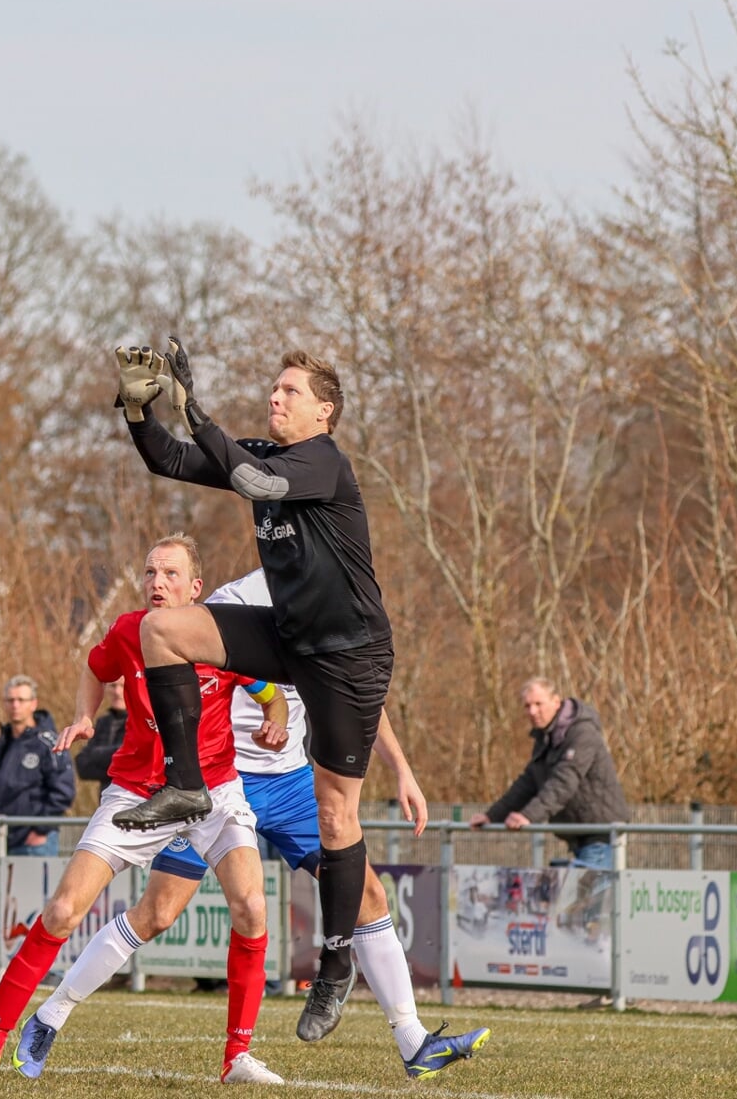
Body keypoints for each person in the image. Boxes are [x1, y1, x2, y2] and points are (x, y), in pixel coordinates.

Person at [112, 341, 487, 1076]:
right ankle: (185, 781)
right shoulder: (267, 457)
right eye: (274, 389)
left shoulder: (321, 462)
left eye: (290, 391)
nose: (276, 398)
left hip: (348, 658)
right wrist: (137, 409)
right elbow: (174, 461)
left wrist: (194, 406)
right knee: (161, 629)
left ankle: (337, 960)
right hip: (290, 639)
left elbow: (250, 477)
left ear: (324, 410)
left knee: (337, 819)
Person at [32, 568, 452, 1076]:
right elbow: (185, 685)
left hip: (294, 782)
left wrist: (403, 771)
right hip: (226, 780)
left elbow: (357, 695)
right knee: (158, 911)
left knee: (367, 895)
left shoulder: (331, 600)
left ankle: (413, 1043)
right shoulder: (234, 601)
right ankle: (53, 1012)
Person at [0, 534, 281, 1085]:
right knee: (62, 911)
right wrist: (83, 717)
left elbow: (270, 692)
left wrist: (277, 721)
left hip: (214, 791)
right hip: (139, 790)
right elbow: (95, 670)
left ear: (195, 587)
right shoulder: (128, 630)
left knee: (251, 909)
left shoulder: (221, 635)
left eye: (169, 574)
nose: (156, 583)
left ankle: (236, 1058)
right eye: (149, 573)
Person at [469, 679, 630, 870]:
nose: (532, 711)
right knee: (578, 897)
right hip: (581, 838)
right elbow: (528, 782)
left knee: (582, 899)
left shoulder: (581, 733)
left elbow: (563, 782)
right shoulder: (546, 738)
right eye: (527, 706)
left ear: (556, 701)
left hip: (603, 837)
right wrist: (492, 816)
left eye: (538, 704)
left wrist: (529, 816)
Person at [0, 677, 77, 857]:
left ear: (33, 704)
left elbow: (63, 791)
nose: (15, 705)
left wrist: (40, 830)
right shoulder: (2, 743)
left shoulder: (49, 742)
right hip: (4, 838)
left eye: (21, 700)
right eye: (10, 700)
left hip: (35, 842)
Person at [72, 679, 128, 790]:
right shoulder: (104, 722)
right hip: (106, 800)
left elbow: (135, 759)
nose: (117, 692)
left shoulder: (144, 723)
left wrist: (96, 753)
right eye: (113, 686)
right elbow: (82, 765)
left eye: (123, 686)